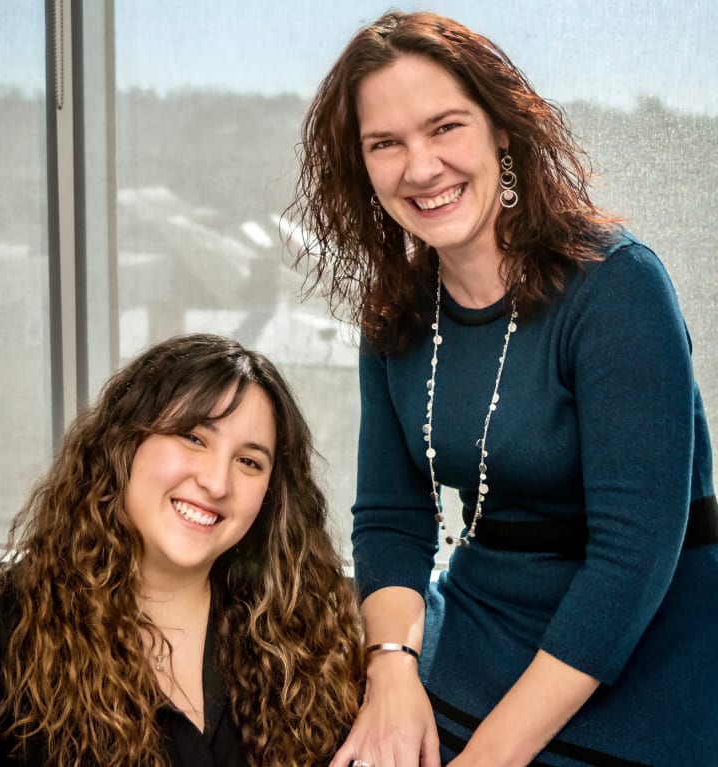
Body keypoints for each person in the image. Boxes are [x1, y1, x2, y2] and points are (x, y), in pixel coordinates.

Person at [285, 9, 718, 767]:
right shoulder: (395, 307)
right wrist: (390, 669)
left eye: (444, 127)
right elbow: (391, 516)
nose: (419, 168)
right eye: (384, 143)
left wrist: (488, 755)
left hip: (645, 643)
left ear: (502, 132)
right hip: (479, 621)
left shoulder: (617, 287)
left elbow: (630, 560)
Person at [0, 333, 364, 767]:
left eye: (249, 462)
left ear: (270, 498)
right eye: (193, 437)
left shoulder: (302, 646)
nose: (217, 483)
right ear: (124, 442)